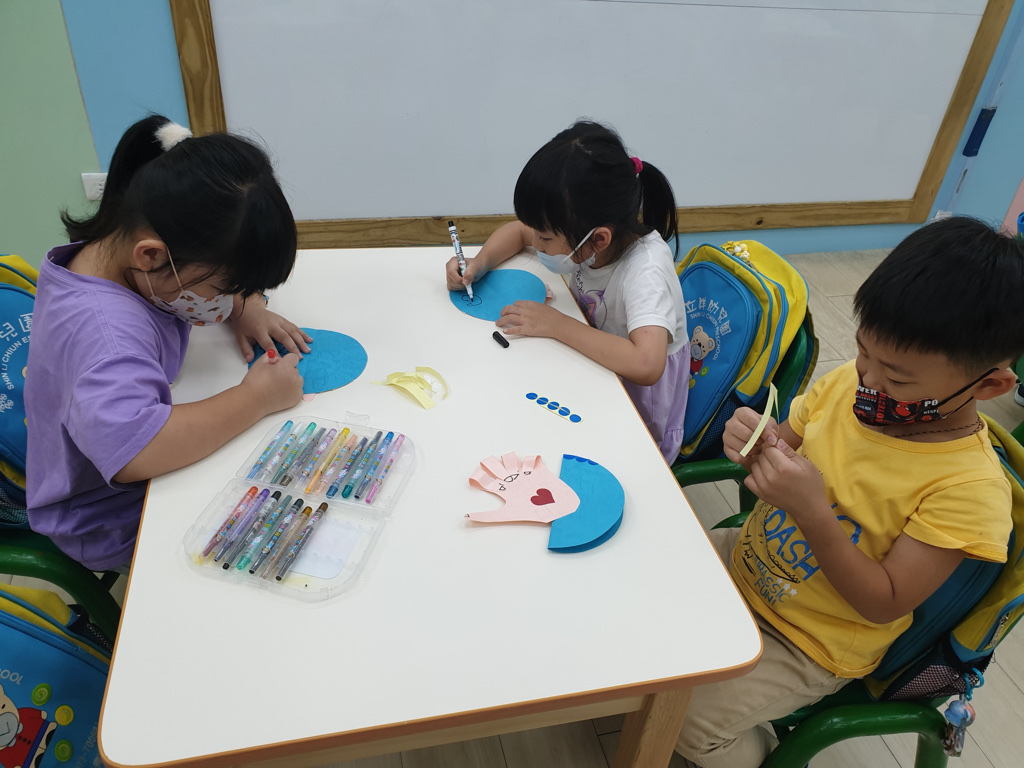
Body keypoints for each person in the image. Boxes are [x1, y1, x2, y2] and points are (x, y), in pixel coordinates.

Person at [675, 216, 1024, 768]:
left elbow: (883, 602)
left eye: (899, 379)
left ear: (989, 385)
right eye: (864, 353)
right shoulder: (848, 385)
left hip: (812, 641)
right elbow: (779, 446)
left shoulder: (969, 490)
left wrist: (813, 512)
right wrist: (754, 442)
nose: (869, 381)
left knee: (685, 723)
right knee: (640, 581)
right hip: (745, 561)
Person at [26, 115, 313, 573]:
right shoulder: (106, 337)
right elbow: (136, 451)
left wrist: (246, 306)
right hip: (110, 517)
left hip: (122, 459)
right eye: (224, 289)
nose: (226, 301)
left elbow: (200, 272)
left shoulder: (115, 250)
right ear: (153, 255)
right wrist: (256, 398)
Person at [445, 120, 689, 461]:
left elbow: (646, 364)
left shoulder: (646, 271)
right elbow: (518, 232)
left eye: (544, 238)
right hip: (593, 370)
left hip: (637, 418)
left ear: (598, 239)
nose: (534, 242)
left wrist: (556, 324)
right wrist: (479, 263)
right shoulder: (588, 234)